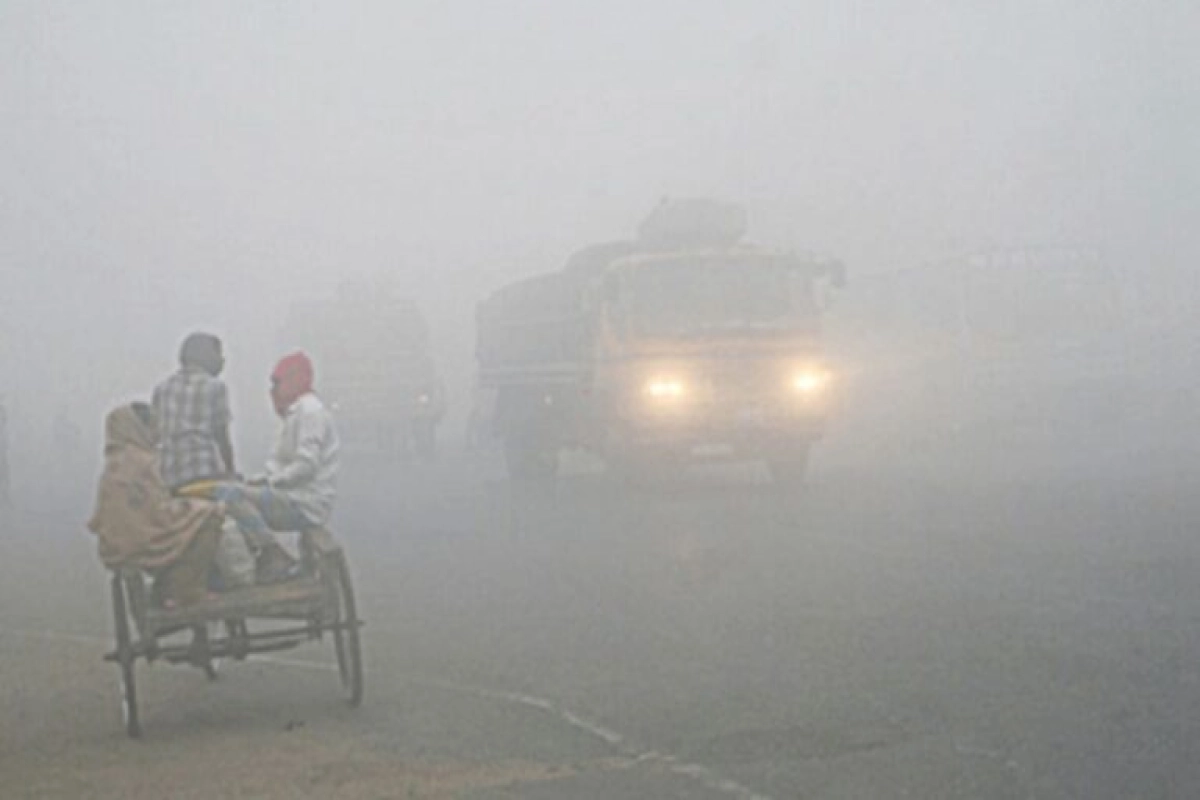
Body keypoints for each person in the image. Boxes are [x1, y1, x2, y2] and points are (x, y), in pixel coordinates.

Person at [87, 402, 223, 606]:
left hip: (116, 547)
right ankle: (187, 589)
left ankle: (169, 587)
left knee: (192, 515)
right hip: (144, 539)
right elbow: (158, 513)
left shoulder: (113, 465)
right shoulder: (142, 460)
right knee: (210, 514)